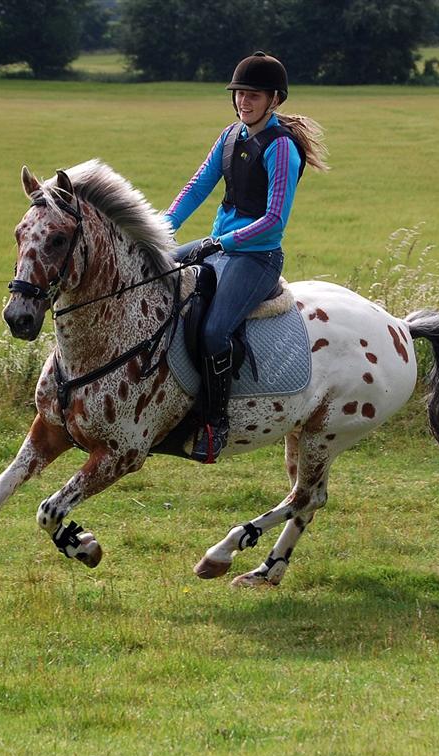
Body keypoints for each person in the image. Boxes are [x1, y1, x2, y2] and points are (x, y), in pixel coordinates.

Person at [163, 51, 329, 463]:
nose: (243, 102)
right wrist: (159, 231)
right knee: (153, 275)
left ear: (274, 99)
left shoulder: (281, 149)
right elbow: (197, 186)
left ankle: (215, 423)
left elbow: (273, 219)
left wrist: (223, 243)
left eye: (253, 95)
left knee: (216, 331)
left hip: (255, 257)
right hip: (219, 245)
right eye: (239, 94)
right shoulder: (229, 137)